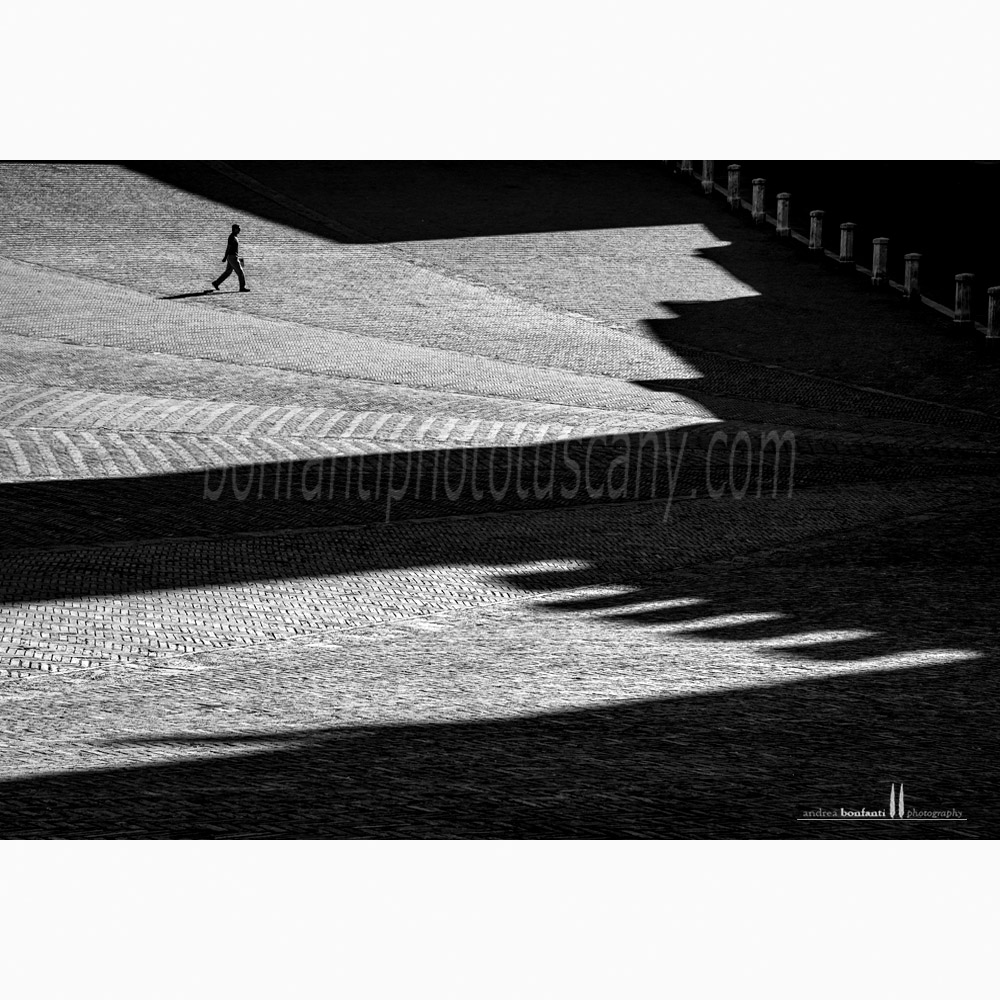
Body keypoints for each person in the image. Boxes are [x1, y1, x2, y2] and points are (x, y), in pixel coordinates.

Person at [211, 224, 250, 291]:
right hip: (232, 257)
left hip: (232, 257)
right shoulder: (232, 237)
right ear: (234, 229)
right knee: (240, 272)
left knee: (228, 272)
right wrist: (225, 257)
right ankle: (242, 287)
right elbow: (228, 247)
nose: (239, 230)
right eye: (238, 228)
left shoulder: (234, 237)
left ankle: (216, 283)